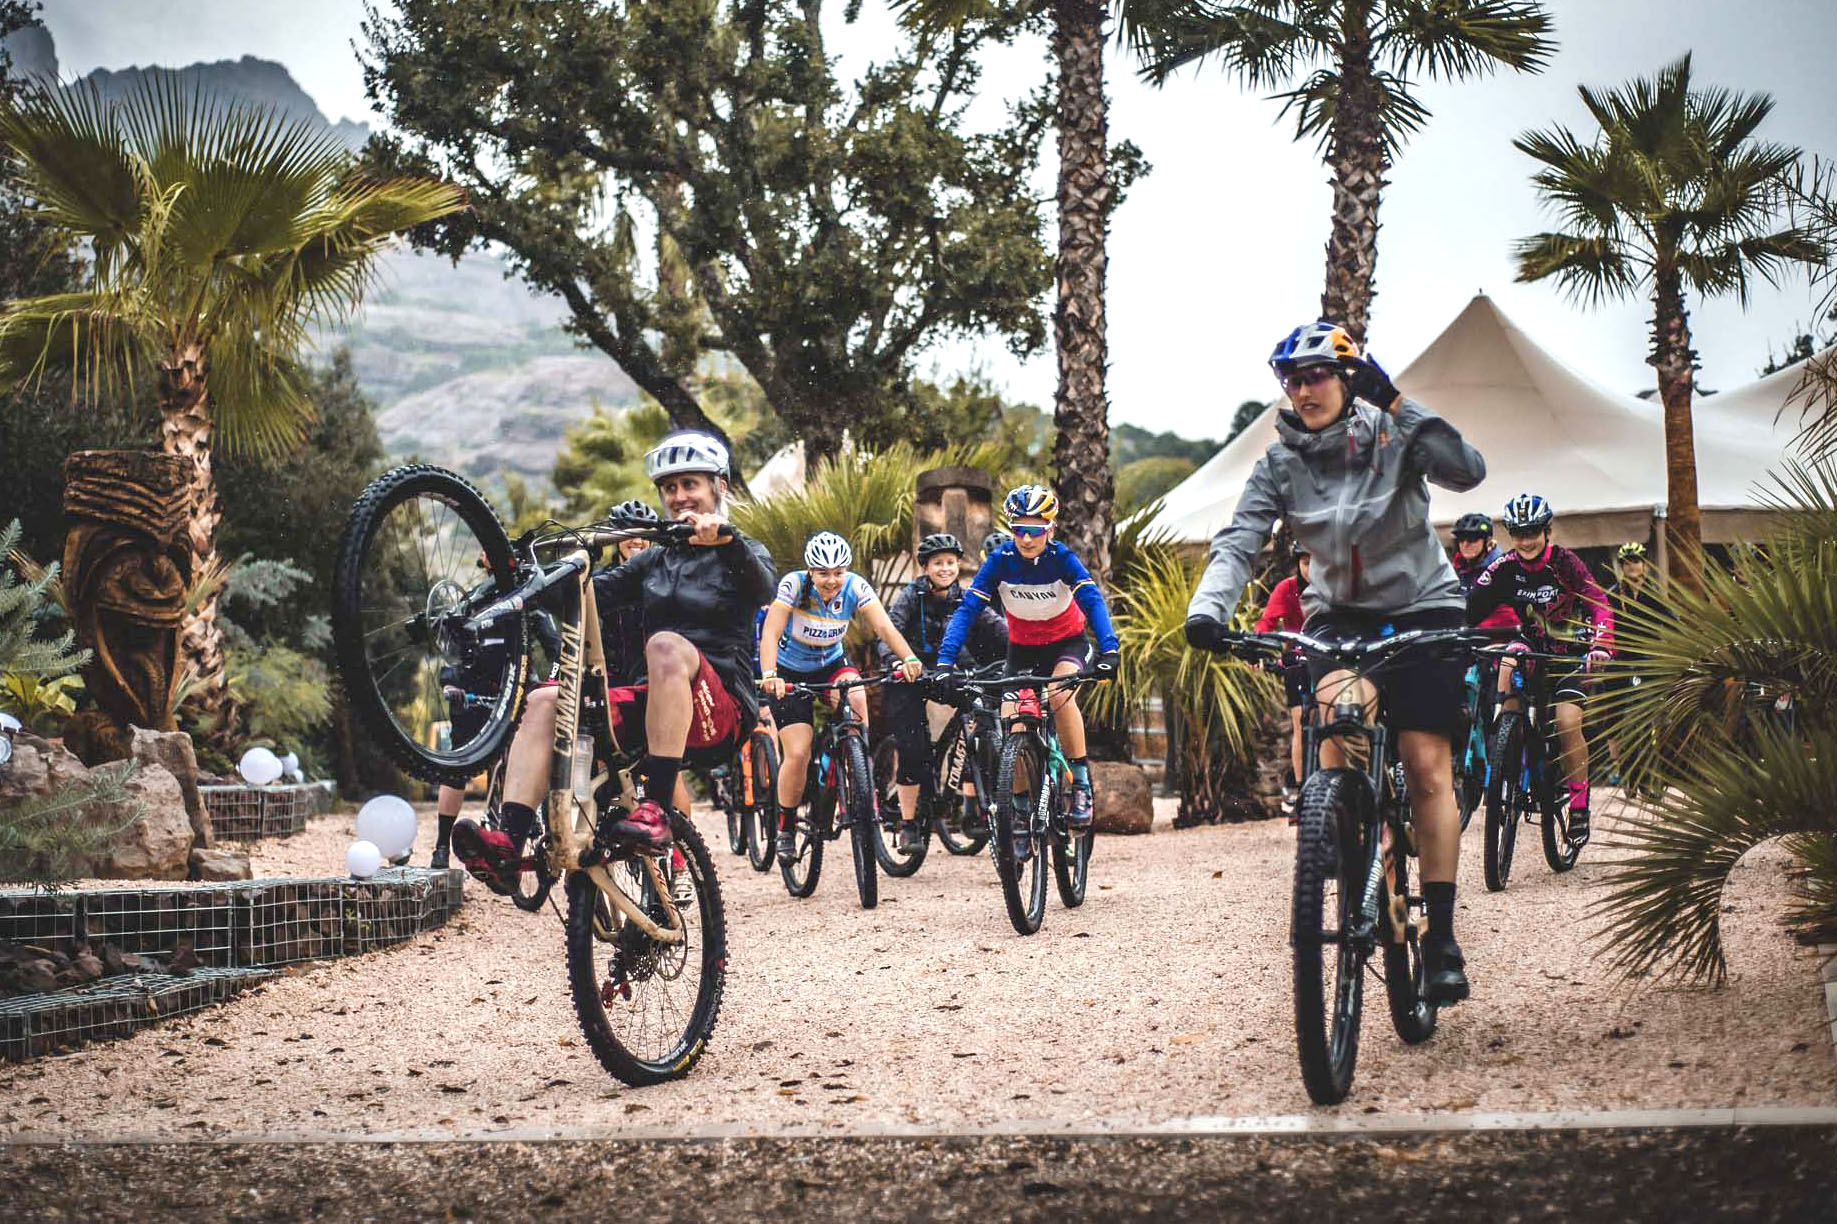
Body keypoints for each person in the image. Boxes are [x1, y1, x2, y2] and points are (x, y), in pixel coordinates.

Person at [1183, 320, 1486, 1006]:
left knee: (1424, 761)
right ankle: (1355, 863)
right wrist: (1207, 611)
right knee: (1338, 732)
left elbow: (1465, 469)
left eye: (1317, 374)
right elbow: (1237, 541)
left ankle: (1437, 936)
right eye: (1290, 379)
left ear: (1349, 380)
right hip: (1338, 619)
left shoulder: (1393, 432)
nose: (1302, 388)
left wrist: (1398, 401)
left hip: (1423, 609)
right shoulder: (1278, 462)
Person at [450, 430, 777, 892]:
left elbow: (765, 587)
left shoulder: (742, 550)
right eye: (670, 488)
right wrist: (516, 570)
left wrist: (728, 542)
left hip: (717, 709)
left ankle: (658, 811)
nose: (679, 496)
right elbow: (582, 595)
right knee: (546, 700)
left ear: (718, 488)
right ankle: (510, 843)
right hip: (655, 704)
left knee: (663, 644)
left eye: (690, 485)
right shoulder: (654, 561)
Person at [932, 485, 1122, 838]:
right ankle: (1018, 809)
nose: (1027, 537)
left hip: (1068, 645)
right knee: (1015, 721)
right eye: (1019, 528)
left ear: (1050, 529)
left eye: (1035, 529)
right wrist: (944, 663)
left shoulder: (1061, 558)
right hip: (1022, 652)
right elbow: (968, 610)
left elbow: (1092, 601)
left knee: (1060, 695)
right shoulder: (1001, 561)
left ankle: (1080, 785)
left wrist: (1110, 650)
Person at [759, 532, 924, 862]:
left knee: (857, 695)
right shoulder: (793, 585)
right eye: (824, 573)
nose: (832, 580)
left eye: (838, 572)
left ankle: (856, 773)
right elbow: (771, 632)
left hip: (831, 665)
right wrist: (769, 674)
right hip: (790, 674)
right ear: (810, 570)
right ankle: (787, 826)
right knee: (799, 752)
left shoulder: (854, 585)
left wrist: (908, 658)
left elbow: (885, 628)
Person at [1466, 493, 1615, 842]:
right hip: (1531, 647)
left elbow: (1601, 605)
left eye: (1533, 532)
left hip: (1569, 655)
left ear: (1547, 531)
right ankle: (1506, 758)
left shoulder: (1566, 563)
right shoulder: (1503, 567)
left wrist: (1601, 645)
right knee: (1507, 661)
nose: (1526, 540)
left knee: (1566, 723)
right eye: (1518, 533)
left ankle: (1579, 807)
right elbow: (1470, 608)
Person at [877, 533, 1008, 851]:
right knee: (913, 748)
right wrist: (898, 661)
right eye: (938, 563)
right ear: (925, 567)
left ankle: (971, 808)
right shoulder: (910, 597)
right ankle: (908, 825)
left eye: (950, 562)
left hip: (951, 673)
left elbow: (996, 627)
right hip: (909, 676)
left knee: (981, 722)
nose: (945, 568)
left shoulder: (967, 598)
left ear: (958, 566)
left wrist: (1024, 649)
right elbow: (889, 632)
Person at [431, 561, 561, 870]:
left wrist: (552, 681)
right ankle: (440, 846)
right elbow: (451, 651)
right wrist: (450, 683)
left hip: (516, 691)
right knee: (457, 767)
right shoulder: (472, 602)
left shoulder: (530, 603)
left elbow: (557, 649)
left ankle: (522, 821)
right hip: (472, 692)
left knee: (531, 750)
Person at [1255, 541, 1310, 820]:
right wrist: (1257, 648)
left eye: (1317, 562)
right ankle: (1302, 791)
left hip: (1332, 660)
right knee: (1300, 725)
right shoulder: (1287, 589)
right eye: (1306, 562)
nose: (1312, 569)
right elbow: (1267, 623)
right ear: (1298, 563)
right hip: (1298, 662)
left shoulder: (1337, 588)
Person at [1603, 541, 1665, 783]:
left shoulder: (1653, 594)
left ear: (1645, 565)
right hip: (1619, 660)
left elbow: (1670, 620)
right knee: (1614, 714)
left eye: (1635, 561)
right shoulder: (1612, 595)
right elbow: (1604, 622)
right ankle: (1617, 765)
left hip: (1647, 660)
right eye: (1626, 562)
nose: (1631, 566)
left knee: (1653, 712)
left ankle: (1653, 763)